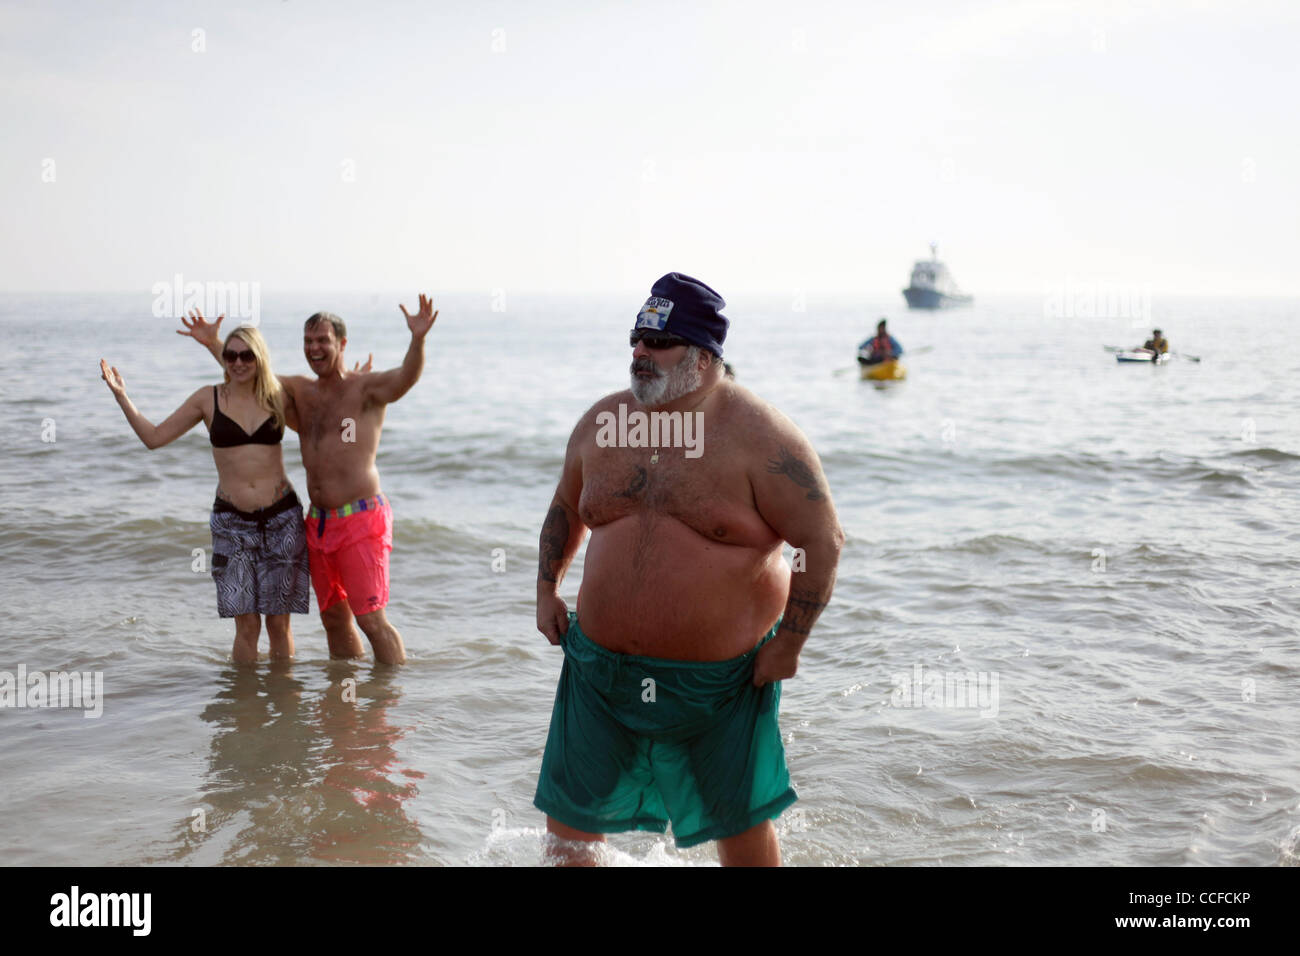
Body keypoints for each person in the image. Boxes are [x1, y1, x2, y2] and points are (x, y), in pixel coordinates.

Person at [533, 273, 844, 866]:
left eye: (659, 343)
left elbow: (821, 541)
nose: (640, 354)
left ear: (703, 357)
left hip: (717, 686)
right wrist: (546, 588)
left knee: (741, 831)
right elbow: (566, 509)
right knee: (569, 831)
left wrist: (791, 645)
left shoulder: (760, 436)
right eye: (637, 339)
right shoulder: (603, 424)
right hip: (598, 673)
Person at [179, 295, 438, 666]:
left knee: (370, 619)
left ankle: (389, 701)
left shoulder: (364, 389)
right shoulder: (301, 391)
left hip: (361, 519)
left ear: (341, 344)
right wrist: (214, 344)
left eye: (323, 341)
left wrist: (418, 340)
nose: (314, 349)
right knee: (334, 618)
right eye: (308, 342)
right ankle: (346, 698)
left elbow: (405, 378)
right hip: (318, 524)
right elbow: (250, 372)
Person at [100, 326, 310, 664]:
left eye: (246, 355)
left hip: (282, 519)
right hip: (232, 523)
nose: (238, 363)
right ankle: (244, 708)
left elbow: (324, 418)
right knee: (247, 626)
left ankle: (284, 708)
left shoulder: (277, 395)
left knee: (279, 624)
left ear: (260, 358)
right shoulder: (207, 398)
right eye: (230, 355)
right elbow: (154, 438)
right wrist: (122, 396)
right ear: (223, 359)